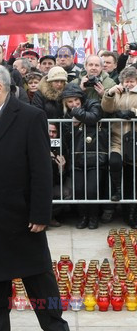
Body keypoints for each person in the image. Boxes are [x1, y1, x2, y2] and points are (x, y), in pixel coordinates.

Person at [0, 64, 84, 331]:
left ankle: (57, 329)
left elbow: (41, 170)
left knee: (39, 278)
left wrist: (41, 213)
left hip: (21, 214)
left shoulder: (30, 116)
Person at [62, 83, 106, 229]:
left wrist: (77, 113)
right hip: (76, 156)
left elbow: (95, 116)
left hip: (94, 154)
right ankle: (83, 217)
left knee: (92, 190)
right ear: (65, 103)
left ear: (81, 98)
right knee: (79, 190)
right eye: (70, 102)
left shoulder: (92, 103)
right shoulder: (65, 114)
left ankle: (94, 217)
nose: (74, 104)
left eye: (76, 100)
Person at [101, 66, 137, 228]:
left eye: (131, 81)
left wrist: (132, 112)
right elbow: (107, 107)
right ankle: (117, 190)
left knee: (132, 178)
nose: (128, 84)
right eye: (126, 81)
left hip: (134, 141)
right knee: (114, 162)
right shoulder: (118, 92)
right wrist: (109, 93)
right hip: (117, 139)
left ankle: (130, 214)